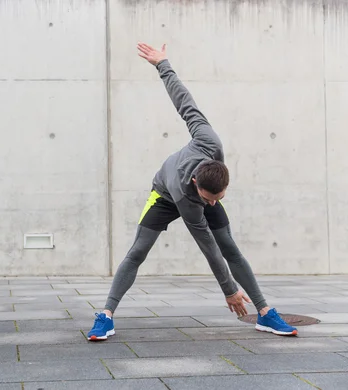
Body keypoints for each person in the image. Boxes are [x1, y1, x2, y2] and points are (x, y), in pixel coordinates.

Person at [87, 43, 297, 341]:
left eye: (219, 198)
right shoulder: (187, 197)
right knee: (137, 252)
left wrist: (163, 64)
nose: (214, 203)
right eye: (210, 199)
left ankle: (265, 313)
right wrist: (229, 290)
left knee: (232, 248)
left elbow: (184, 102)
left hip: (193, 190)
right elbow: (207, 247)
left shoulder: (209, 142)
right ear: (197, 184)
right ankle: (105, 316)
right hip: (164, 195)